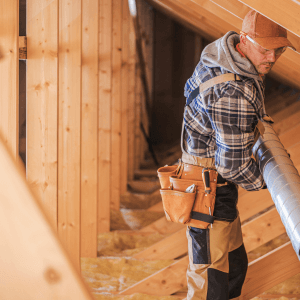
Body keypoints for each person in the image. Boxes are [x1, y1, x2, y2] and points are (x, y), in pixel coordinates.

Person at [181, 10, 296, 300]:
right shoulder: (232, 88)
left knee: (233, 266)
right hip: (208, 189)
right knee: (211, 280)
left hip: (212, 184)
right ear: (244, 39)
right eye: (265, 48)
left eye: (279, 49)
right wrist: (276, 184)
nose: (272, 57)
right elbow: (232, 165)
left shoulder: (225, 55)